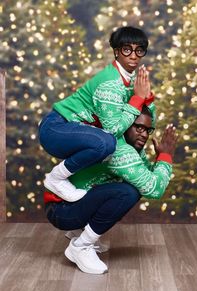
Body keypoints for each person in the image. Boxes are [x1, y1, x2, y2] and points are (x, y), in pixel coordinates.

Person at [44, 106, 177, 274]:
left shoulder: (132, 148)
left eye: (148, 130)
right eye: (139, 127)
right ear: (126, 123)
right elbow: (154, 188)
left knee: (132, 187)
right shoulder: (120, 150)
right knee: (128, 193)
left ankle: (78, 231)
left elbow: (148, 176)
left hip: (68, 204)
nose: (144, 134)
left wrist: (160, 157)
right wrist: (166, 157)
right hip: (61, 211)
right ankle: (81, 246)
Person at [39, 26, 154, 202]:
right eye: (126, 49)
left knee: (108, 148)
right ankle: (56, 178)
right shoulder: (110, 83)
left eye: (139, 50)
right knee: (107, 143)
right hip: (56, 129)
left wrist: (147, 99)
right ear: (116, 52)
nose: (133, 55)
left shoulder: (130, 81)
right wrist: (138, 98)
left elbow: (142, 118)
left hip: (75, 131)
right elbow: (114, 129)